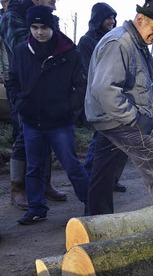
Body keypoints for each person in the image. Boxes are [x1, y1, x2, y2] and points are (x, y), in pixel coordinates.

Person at [85, 0, 153, 215]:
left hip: (113, 120)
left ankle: (96, 223)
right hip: (120, 122)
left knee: (104, 173)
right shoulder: (120, 42)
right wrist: (133, 118)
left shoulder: (135, 43)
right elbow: (105, 88)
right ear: (140, 19)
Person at [6, 5, 89, 224]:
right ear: (29, 28)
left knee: (71, 164)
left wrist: (69, 108)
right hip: (32, 121)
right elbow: (12, 79)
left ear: (52, 27)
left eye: (44, 27)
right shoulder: (22, 51)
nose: (39, 32)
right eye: (34, 27)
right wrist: (19, 104)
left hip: (60, 123)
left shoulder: (69, 53)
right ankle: (36, 208)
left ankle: (92, 204)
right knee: (34, 168)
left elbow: (81, 85)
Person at [1, 0, 66, 210]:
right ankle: (17, 190)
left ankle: (43, 184)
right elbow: (27, 48)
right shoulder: (13, 17)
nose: (54, 7)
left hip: (45, 86)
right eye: (51, 1)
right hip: (23, 87)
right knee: (23, 134)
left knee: (46, 131)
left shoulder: (45, 19)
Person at [77, 2, 127, 193]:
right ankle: (90, 178)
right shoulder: (87, 41)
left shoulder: (112, 40)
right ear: (98, 19)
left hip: (114, 96)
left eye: (114, 18)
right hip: (97, 98)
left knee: (118, 143)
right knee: (100, 140)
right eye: (108, 17)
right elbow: (88, 71)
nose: (112, 22)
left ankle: (111, 179)